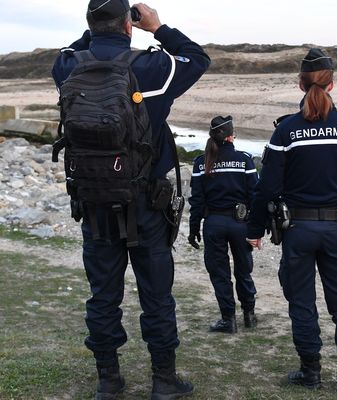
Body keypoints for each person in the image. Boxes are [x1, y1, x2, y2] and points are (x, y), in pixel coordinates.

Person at [51, 1, 210, 399]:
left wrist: (98, 32)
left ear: (90, 24)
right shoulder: (152, 68)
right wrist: (156, 27)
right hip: (146, 205)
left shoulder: (68, 67)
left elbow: (73, 50)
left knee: (103, 294)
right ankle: (163, 380)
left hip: (94, 201)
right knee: (157, 295)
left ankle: (108, 380)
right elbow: (197, 58)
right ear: (128, 23)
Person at [246, 48, 337, 394]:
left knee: (302, 304)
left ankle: (311, 373)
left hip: (298, 232)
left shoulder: (286, 131)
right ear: (331, 85)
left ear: (300, 84)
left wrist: (255, 229)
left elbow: (266, 187)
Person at [188, 116, 259, 334]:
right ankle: (249, 314)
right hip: (240, 223)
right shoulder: (245, 160)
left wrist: (193, 229)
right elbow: (254, 195)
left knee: (220, 273)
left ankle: (229, 319)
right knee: (243, 270)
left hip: (214, 224)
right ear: (230, 136)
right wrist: (256, 228)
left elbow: (197, 200)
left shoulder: (201, 162)